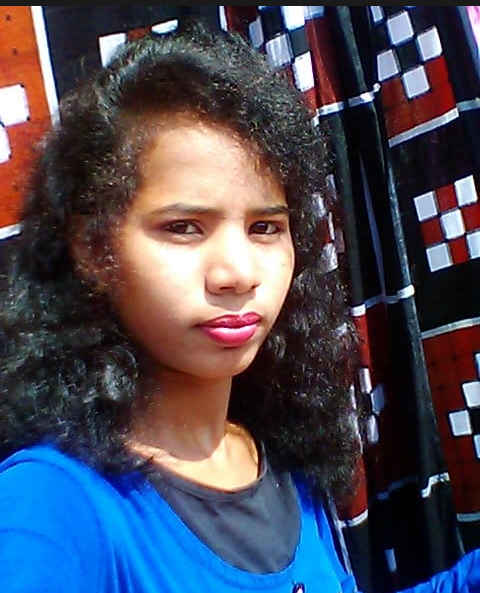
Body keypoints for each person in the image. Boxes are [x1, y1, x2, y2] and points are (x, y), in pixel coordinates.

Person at [0, 18, 477, 593]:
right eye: (184, 227)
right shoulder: (52, 508)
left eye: (264, 228)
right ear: (93, 250)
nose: (238, 274)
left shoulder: (277, 460)